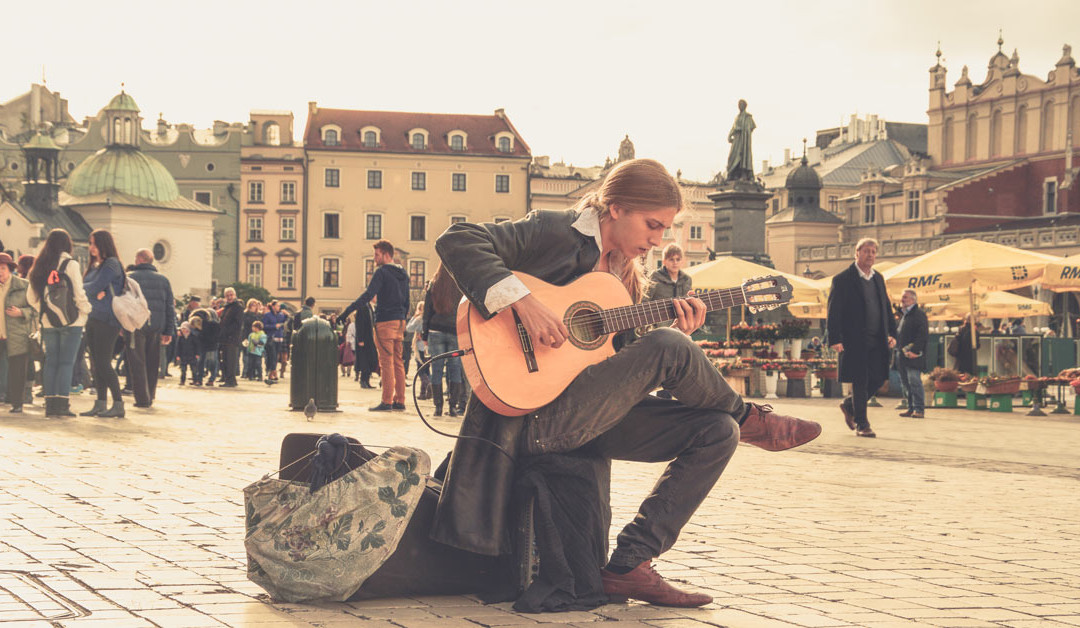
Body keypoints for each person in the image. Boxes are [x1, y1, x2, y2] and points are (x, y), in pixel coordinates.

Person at [432, 158, 821, 607]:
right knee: (667, 346)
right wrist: (524, 303)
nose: (658, 240)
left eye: (664, 230)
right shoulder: (553, 230)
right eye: (652, 225)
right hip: (531, 418)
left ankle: (630, 565)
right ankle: (753, 419)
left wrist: (679, 337)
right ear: (615, 208)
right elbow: (457, 239)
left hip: (586, 416)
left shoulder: (625, 279)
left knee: (717, 431)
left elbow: (616, 366)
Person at [827, 238, 898, 438]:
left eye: (874, 252)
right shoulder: (843, 279)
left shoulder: (878, 278)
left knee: (878, 378)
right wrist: (835, 338)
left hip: (878, 337)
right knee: (860, 380)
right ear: (856, 253)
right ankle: (862, 424)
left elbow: (886, 308)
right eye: (866, 251)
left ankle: (850, 405)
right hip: (854, 339)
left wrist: (892, 333)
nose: (870, 255)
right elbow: (834, 311)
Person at [27, 230, 92, 418]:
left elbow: (31, 297)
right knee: (66, 363)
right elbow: (79, 292)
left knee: (51, 362)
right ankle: (62, 404)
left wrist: (46, 309)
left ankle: (50, 405)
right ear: (67, 244)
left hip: (48, 322)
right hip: (72, 321)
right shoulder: (70, 264)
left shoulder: (39, 265)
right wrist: (85, 310)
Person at [340, 240, 410, 412]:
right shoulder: (403, 274)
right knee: (398, 362)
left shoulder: (382, 272)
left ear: (386, 255)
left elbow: (368, 295)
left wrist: (346, 312)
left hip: (385, 321)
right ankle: (400, 400)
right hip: (400, 321)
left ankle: (386, 401)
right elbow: (407, 301)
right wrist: (403, 318)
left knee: (386, 362)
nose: (374, 258)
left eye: (377, 255)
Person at [81, 229, 126, 418]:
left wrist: (89, 291)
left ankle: (118, 403)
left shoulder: (112, 264)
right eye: (90, 243)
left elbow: (94, 287)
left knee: (104, 362)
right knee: (96, 363)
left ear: (103, 244)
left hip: (108, 320)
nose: (91, 248)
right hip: (93, 317)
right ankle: (100, 403)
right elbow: (89, 288)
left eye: (94, 244)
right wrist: (92, 292)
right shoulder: (95, 266)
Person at [126, 248, 176, 408]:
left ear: (140, 259)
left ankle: (142, 398)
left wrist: (122, 325)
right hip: (156, 325)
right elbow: (170, 307)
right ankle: (151, 394)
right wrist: (169, 330)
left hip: (135, 325)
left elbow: (123, 303)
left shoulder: (130, 278)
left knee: (137, 361)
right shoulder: (164, 280)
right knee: (153, 362)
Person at [422, 266, 464, 417]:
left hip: (435, 330)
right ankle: (453, 407)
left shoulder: (434, 283)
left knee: (437, 370)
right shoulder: (460, 282)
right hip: (455, 331)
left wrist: (424, 334)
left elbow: (427, 311)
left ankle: (438, 407)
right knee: (455, 369)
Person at [1, 253, 36, 413]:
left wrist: (21, 312)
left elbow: (35, 309)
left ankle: (17, 403)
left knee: (17, 370)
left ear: (10, 269)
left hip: (17, 334)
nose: (0, 272)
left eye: (2, 268)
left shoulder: (24, 285)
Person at [895, 289, 929, 419]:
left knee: (914, 381)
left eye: (905, 297)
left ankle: (919, 409)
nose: (902, 299)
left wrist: (915, 351)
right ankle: (911, 408)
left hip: (913, 355)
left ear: (913, 300)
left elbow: (922, 336)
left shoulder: (919, 314)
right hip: (902, 354)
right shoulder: (904, 315)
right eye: (902, 297)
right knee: (905, 383)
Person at [218, 287, 244, 387]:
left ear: (235, 295)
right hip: (225, 338)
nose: (229, 297)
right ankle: (227, 379)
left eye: (231, 295)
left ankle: (231, 380)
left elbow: (237, 324)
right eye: (227, 295)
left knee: (231, 360)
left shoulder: (238, 307)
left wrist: (227, 332)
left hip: (232, 338)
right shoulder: (227, 307)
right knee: (225, 359)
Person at [352, 301, 378, 389]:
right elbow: (359, 324)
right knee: (364, 361)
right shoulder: (362, 307)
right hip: (363, 339)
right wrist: (360, 339)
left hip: (369, 339)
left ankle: (366, 381)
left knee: (369, 360)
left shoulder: (370, 308)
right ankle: (363, 381)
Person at [261, 300, 287, 382]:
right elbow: (264, 326)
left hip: (279, 338)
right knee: (272, 355)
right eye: (277, 306)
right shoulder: (267, 315)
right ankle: (272, 372)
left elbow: (286, 321)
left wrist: (287, 315)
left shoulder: (280, 315)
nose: (279, 307)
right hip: (271, 338)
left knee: (275, 356)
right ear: (273, 307)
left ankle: (271, 372)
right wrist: (274, 326)